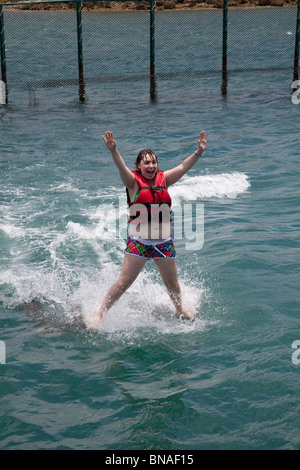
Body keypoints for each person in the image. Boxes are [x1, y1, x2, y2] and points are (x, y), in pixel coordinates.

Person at [88, 130, 207, 330]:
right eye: (146, 163)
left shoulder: (164, 179)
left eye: (154, 162)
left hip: (163, 243)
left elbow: (183, 167)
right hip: (140, 243)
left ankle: (179, 309)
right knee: (123, 283)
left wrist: (199, 151)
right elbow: (121, 167)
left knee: (172, 284)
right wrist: (113, 150)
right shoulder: (132, 183)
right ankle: (100, 314)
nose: (151, 166)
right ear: (139, 166)